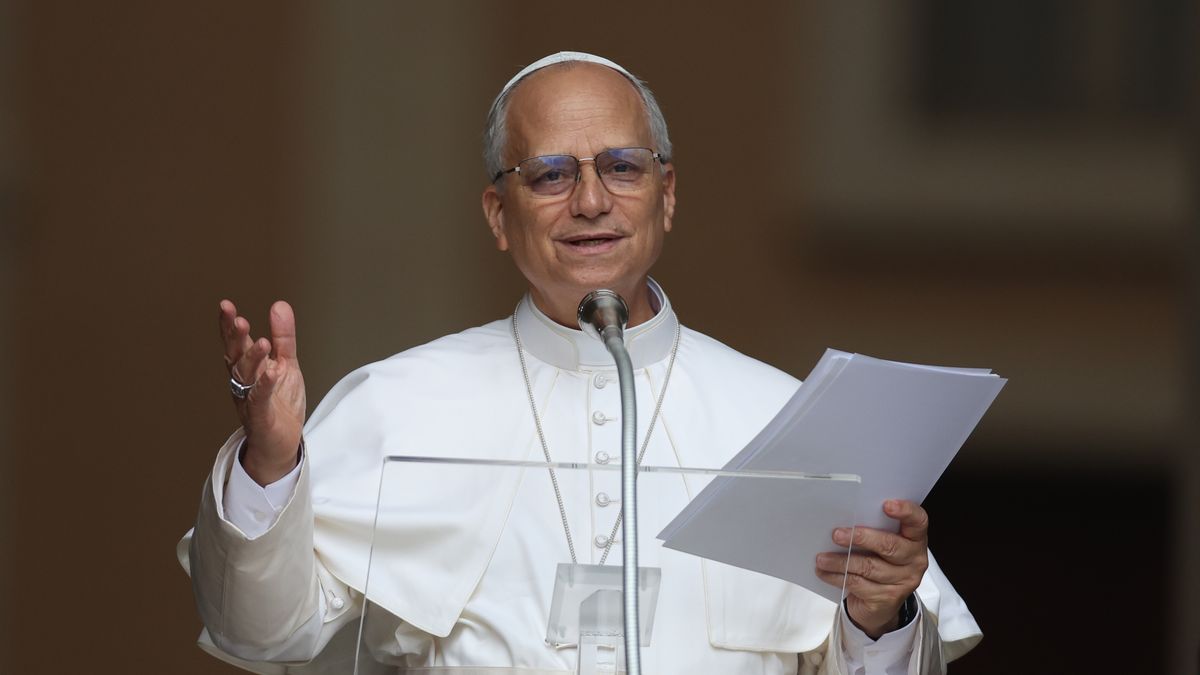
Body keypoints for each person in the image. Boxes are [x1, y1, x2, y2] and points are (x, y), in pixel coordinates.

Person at [178, 52, 981, 675]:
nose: (591, 201)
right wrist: (272, 463)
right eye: (551, 175)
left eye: (621, 168)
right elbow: (258, 633)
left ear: (666, 195)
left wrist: (882, 615)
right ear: (499, 214)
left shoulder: (784, 417)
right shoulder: (399, 402)